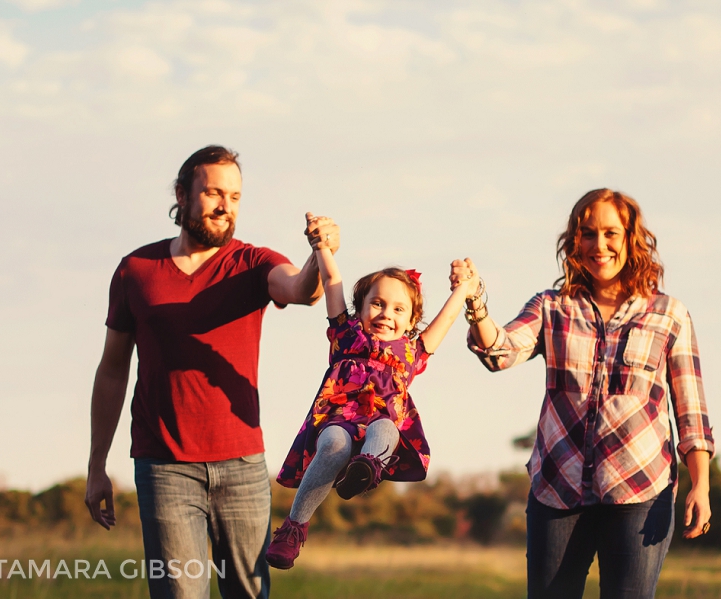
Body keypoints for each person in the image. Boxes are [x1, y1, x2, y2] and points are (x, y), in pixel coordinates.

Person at [83, 145, 340, 599]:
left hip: (242, 465)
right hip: (164, 467)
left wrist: (322, 255)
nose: (226, 206)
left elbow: (302, 290)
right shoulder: (136, 271)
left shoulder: (252, 263)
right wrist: (96, 464)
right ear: (182, 195)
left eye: (236, 197)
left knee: (248, 593)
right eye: (214, 193)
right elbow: (111, 372)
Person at [452, 189, 714, 599]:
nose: (599, 245)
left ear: (631, 239)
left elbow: (691, 411)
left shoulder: (669, 314)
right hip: (557, 487)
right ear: (575, 242)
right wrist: (475, 305)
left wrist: (701, 485)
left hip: (641, 488)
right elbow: (498, 352)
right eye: (587, 233)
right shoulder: (551, 307)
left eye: (611, 233)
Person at [265, 231, 481, 570]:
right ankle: (293, 528)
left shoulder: (412, 352)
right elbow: (332, 279)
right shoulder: (345, 334)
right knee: (334, 444)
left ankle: (367, 467)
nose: (385, 314)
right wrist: (321, 245)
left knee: (387, 430)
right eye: (377, 304)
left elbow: (448, 318)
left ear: (411, 321)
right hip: (337, 418)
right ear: (361, 309)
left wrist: (464, 290)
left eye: (398, 309)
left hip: (380, 422)